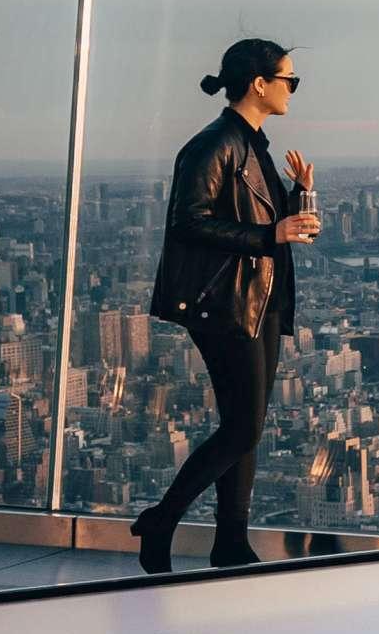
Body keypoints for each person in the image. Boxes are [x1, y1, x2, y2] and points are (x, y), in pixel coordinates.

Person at [137, 38, 321, 573]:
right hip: (225, 302)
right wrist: (269, 236)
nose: (293, 89)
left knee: (247, 426)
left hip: (259, 299)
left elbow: (263, 222)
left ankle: (231, 542)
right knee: (243, 428)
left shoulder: (253, 145)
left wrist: (299, 196)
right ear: (259, 84)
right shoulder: (214, 144)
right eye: (289, 79)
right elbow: (188, 222)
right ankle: (162, 519)